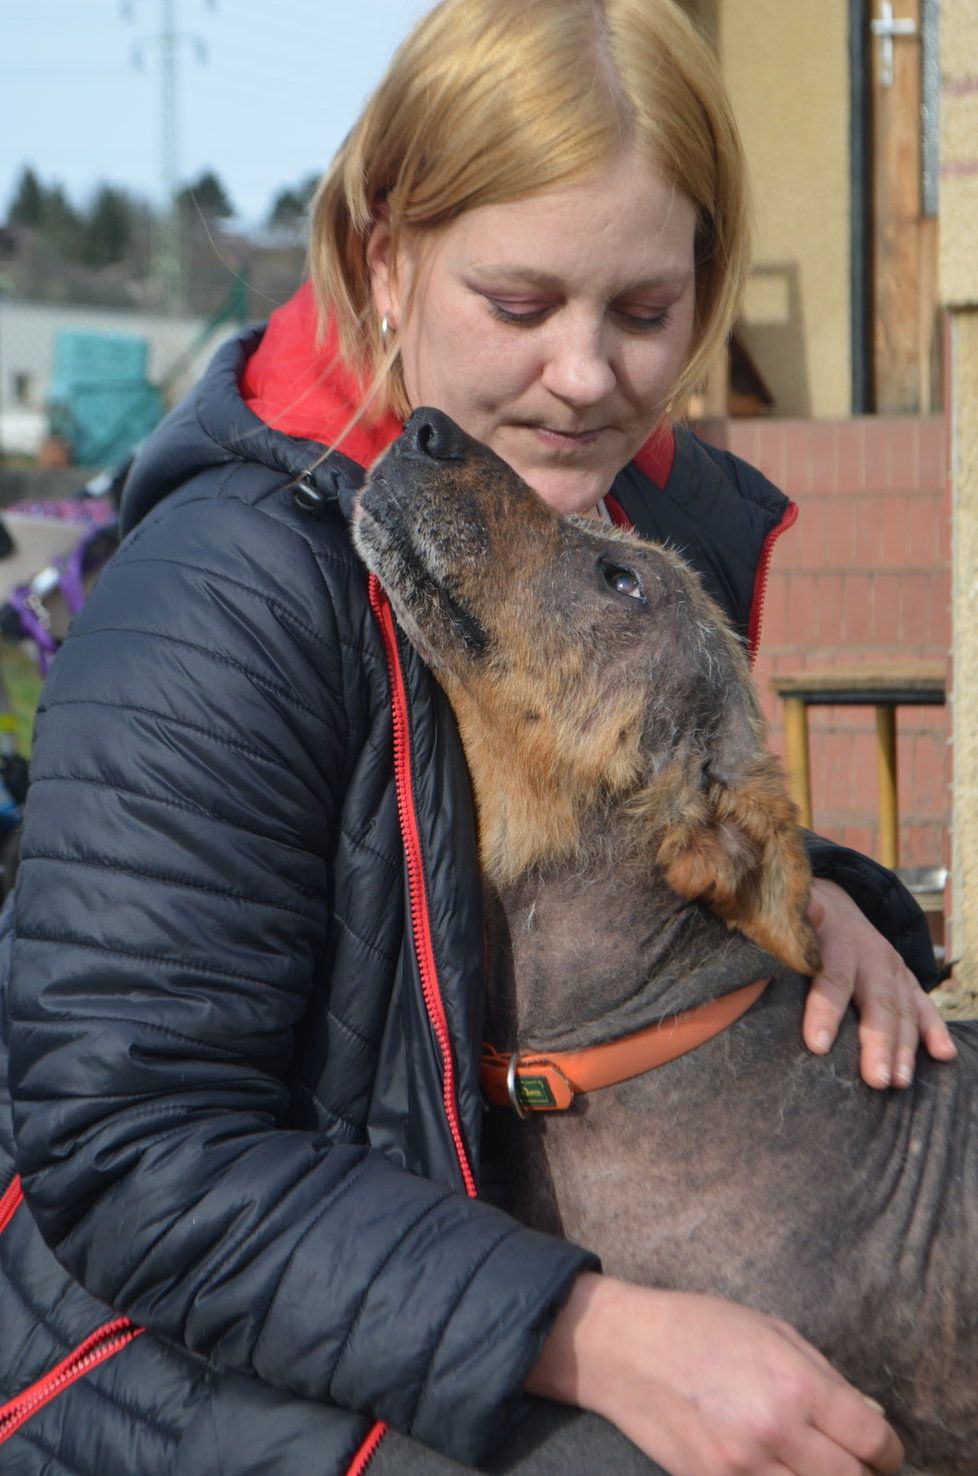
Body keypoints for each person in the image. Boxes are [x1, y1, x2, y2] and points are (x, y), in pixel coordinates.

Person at [4, 1, 955, 1473]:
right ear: (385, 263)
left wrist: (818, 890)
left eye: (642, 313)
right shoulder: (228, 592)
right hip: (149, 1347)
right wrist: (594, 1334)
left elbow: (475, 867)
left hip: (437, 1251)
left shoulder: (601, 506)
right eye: (519, 306)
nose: (584, 374)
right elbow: (136, 1153)